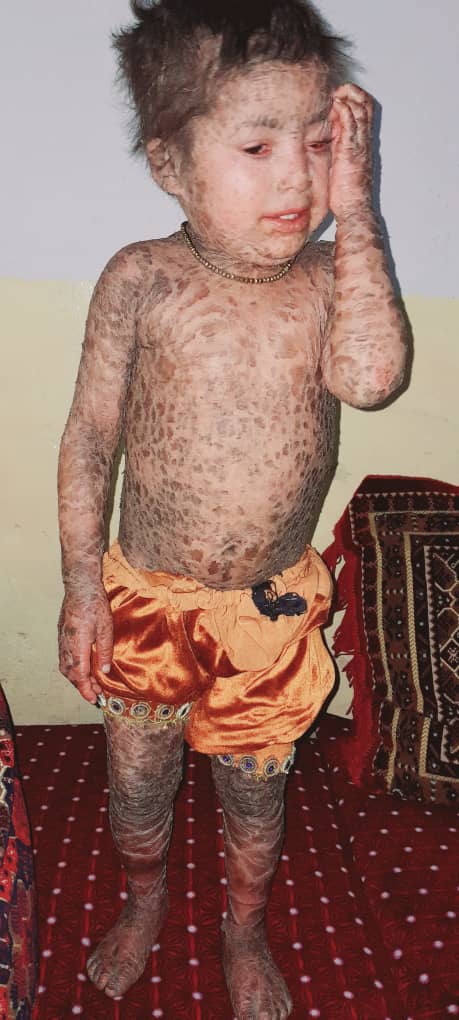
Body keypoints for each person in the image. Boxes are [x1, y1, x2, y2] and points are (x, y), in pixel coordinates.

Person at [57, 1, 407, 1016]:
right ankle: (145, 900)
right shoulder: (141, 278)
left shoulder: (327, 280)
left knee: (256, 790)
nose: (297, 179)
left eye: (317, 144)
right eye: (257, 147)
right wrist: (82, 589)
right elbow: (89, 438)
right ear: (170, 165)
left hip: (269, 614)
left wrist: (361, 208)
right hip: (147, 601)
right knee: (138, 785)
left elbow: (373, 379)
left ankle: (242, 928)